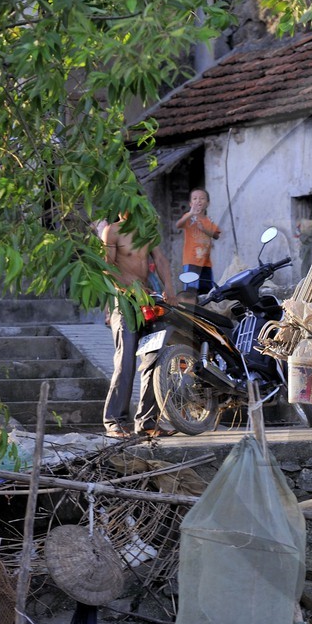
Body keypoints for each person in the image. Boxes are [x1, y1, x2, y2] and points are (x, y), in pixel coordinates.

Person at [101, 213, 175, 439]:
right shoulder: (111, 231)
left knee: (154, 357)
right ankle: (114, 421)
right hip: (124, 301)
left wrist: (170, 286)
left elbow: (160, 259)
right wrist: (130, 290)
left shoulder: (147, 228)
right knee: (125, 360)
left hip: (149, 300)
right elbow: (107, 268)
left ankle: (147, 421)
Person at [175, 188, 222, 296]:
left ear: (207, 203)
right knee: (191, 290)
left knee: (206, 291)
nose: (198, 201)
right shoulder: (189, 218)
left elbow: (216, 235)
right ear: (190, 203)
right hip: (192, 261)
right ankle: (191, 311)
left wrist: (204, 229)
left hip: (206, 262)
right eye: (195, 199)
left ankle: (203, 311)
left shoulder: (208, 220)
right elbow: (178, 225)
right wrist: (191, 213)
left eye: (202, 198)